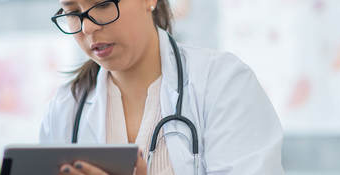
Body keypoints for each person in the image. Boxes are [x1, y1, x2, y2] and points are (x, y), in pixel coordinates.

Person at [39, 0, 284, 174]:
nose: (87, 27)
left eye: (103, 4)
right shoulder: (64, 110)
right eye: (72, 12)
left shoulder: (223, 84)